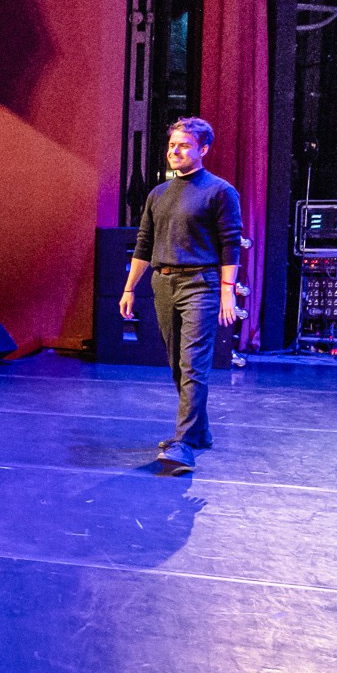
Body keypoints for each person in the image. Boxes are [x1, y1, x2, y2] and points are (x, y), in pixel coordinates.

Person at [118, 117, 245, 473]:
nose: (175, 151)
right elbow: (143, 244)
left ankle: (184, 444)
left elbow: (230, 245)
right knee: (177, 363)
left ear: (203, 149)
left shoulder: (220, 191)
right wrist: (130, 288)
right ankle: (199, 432)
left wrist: (227, 294)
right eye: (172, 145)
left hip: (201, 284)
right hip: (163, 283)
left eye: (184, 145)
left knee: (193, 364)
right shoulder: (158, 194)